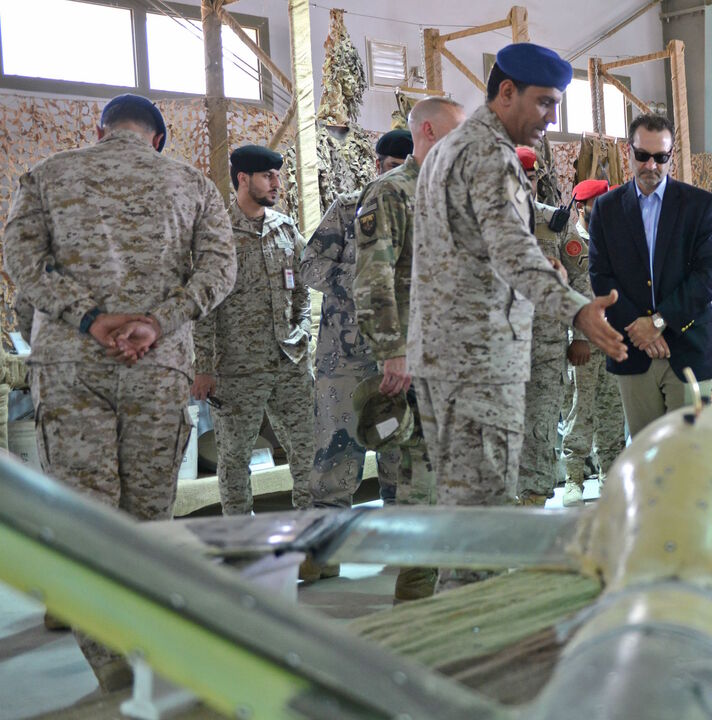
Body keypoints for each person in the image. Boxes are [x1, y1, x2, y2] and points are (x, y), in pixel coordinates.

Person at [3, 93, 235, 690]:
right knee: (148, 518)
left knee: (86, 520)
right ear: (158, 137)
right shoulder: (193, 185)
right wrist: (156, 322)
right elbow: (219, 270)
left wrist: (89, 319)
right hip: (157, 366)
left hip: (70, 365)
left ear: (100, 130)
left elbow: (22, 260)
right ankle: (146, 649)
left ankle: (110, 666)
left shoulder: (46, 175)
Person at [409, 43, 624, 591]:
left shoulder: (446, 151)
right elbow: (513, 252)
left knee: (464, 520)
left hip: (443, 357)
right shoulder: (490, 154)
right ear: (506, 92)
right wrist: (577, 309)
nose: (551, 118)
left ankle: (459, 621)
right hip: (480, 362)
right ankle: (477, 632)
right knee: (486, 525)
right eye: (545, 102)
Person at [354, 97, 465, 601]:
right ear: (428, 132)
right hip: (418, 358)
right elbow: (373, 275)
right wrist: (391, 350)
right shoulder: (392, 192)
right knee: (423, 475)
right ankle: (416, 591)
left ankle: (459, 587)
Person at [192, 145, 314, 515]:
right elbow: (204, 307)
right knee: (234, 461)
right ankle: (241, 538)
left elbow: (303, 288)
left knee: (308, 452)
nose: (277, 183)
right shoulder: (217, 235)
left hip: (289, 361)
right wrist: (203, 367)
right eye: (267, 176)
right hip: (238, 369)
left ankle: (312, 534)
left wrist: (303, 331)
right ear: (243, 179)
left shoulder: (285, 228)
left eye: (277, 175)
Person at [302, 128, 412, 523]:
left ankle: (402, 543)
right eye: (391, 167)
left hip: (401, 360)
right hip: (345, 361)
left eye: (404, 168)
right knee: (335, 460)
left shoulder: (422, 211)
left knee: (400, 457)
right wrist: (367, 281)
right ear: (376, 165)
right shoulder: (349, 208)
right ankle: (328, 541)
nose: (395, 177)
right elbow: (309, 266)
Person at [589, 113, 712, 435]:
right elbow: (601, 275)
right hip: (634, 349)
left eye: (661, 157)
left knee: (689, 450)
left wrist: (658, 322)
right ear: (628, 152)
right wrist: (639, 329)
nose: (651, 165)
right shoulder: (606, 208)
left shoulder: (701, 206)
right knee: (646, 451)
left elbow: (706, 277)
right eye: (642, 155)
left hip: (688, 347)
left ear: (671, 155)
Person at [518, 145, 586, 506]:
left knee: (540, 428)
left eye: (529, 178)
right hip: (496, 351)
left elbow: (581, 279)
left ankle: (534, 501)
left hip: (546, 346)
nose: (523, 184)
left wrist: (582, 336)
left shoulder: (555, 223)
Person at [561, 178, 625, 507]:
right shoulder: (571, 242)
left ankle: (609, 475)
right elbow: (568, 294)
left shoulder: (616, 240)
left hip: (613, 341)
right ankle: (573, 479)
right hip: (583, 342)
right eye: (596, 204)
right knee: (579, 411)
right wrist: (578, 337)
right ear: (581, 206)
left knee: (612, 412)